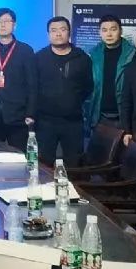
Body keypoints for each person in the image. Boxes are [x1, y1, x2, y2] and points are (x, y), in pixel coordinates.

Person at [35, 16, 93, 167]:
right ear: (48, 34)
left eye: (62, 29)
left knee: (74, 163)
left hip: (73, 121)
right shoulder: (39, 58)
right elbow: (34, 87)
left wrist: (73, 100)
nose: (58, 34)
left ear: (69, 32)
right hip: (45, 121)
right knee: (44, 164)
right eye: (53, 30)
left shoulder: (82, 58)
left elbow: (88, 86)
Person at [0, 8, 37, 151]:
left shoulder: (26, 50)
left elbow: (32, 84)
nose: (2, 25)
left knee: (17, 157)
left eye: (6, 21)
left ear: (14, 25)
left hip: (18, 117)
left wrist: (30, 113)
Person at [84, 15, 136, 134]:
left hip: (125, 116)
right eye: (104, 30)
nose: (109, 34)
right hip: (99, 116)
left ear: (121, 31)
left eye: (113, 29)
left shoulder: (134, 54)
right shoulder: (92, 55)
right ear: (99, 33)